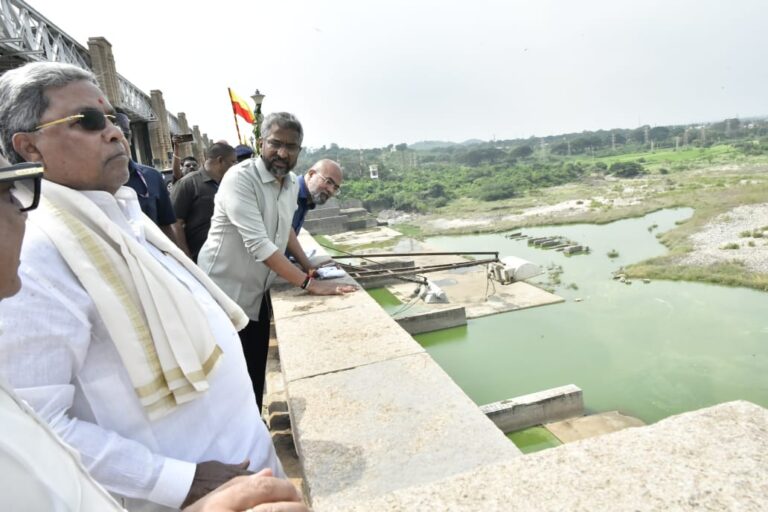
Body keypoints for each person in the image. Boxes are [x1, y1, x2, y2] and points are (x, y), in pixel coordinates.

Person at [0, 61, 290, 511]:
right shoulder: (33, 254)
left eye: (112, 118)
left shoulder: (120, 216)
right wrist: (175, 480)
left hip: (248, 470)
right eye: (88, 121)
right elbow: (33, 427)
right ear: (29, 147)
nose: (115, 132)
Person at [198, 112, 357, 410]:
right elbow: (259, 244)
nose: (282, 153)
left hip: (256, 296)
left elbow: (285, 230)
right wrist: (309, 284)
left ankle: (253, 431)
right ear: (261, 143)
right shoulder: (240, 179)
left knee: (254, 377)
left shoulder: (289, 185)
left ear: (299, 151)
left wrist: (307, 265)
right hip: (223, 296)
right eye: (276, 144)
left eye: (291, 146)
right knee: (225, 385)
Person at [114, 112, 182, 245]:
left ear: (130, 139)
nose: (120, 143)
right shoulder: (85, 185)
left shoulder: (152, 176)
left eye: (125, 136)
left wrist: (179, 255)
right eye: (113, 139)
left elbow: (166, 227)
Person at [171, 143, 237, 262]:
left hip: (228, 257)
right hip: (200, 259)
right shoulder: (188, 183)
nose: (235, 166)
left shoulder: (229, 183)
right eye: (232, 162)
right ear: (220, 160)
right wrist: (186, 259)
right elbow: (175, 223)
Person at [292, 159, 343, 235]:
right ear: (311, 174)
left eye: (335, 188)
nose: (331, 190)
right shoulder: (289, 190)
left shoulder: (307, 200)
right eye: (328, 182)